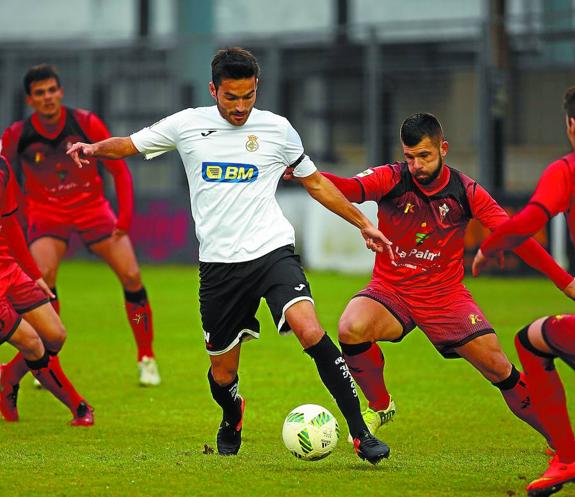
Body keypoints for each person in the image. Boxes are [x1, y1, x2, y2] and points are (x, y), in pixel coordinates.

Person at [66, 47, 393, 462]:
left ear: (257, 88)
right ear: (213, 90)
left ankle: (361, 434)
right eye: (231, 97)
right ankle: (232, 414)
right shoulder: (187, 124)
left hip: (271, 250)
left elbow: (316, 184)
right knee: (223, 374)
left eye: (248, 96)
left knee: (309, 330)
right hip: (219, 266)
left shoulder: (277, 129)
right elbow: (130, 145)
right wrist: (94, 149)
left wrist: (362, 221)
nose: (240, 107)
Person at [309, 112, 575, 460]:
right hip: (391, 290)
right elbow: (346, 188)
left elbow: (516, 235)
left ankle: (561, 441)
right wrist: (304, 172)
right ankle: (381, 404)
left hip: (445, 298)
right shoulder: (391, 178)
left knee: (500, 369)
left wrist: (564, 280)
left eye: (425, 156)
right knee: (350, 327)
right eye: (410, 156)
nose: (416, 165)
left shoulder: (466, 192)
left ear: (443, 149)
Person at [1, 64, 160, 387]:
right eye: (39, 93)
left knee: (131, 276)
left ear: (60, 92)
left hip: (92, 209)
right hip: (46, 213)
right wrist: (21, 216)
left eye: (51, 91)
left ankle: (146, 357)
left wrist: (124, 216)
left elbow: (118, 169)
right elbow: (6, 178)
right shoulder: (17, 134)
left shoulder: (86, 122)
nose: (47, 98)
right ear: (30, 99)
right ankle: (46, 357)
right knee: (42, 278)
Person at [473, 87, 575, 497]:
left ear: (570, 125)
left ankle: (567, 456)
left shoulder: (565, 170)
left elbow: (532, 217)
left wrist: (488, 247)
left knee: (529, 343)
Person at [0, 154, 93, 426]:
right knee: (31, 343)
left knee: (54, 335)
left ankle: (7, 379)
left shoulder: (3, 164)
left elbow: (9, 222)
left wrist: (32, 273)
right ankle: (79, 408)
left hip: (8, 268)